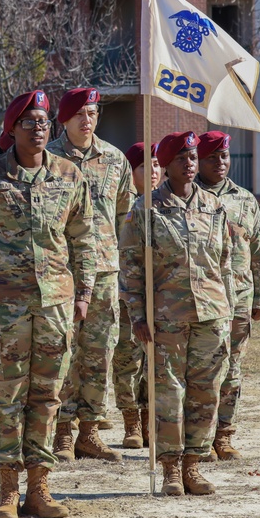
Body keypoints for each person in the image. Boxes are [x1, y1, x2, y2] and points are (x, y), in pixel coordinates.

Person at [0, 89, 95, 518]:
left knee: (47, 396)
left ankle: (39, 488)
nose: (39, 129)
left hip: (55, 303)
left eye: (43, 122)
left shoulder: (69, 175)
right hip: (3, 307)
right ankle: (6, 490)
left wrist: (85, 292)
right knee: (4, 396)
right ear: (12, 129)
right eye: (29, 122)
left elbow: (83, 239)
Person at [119, 131, 234, 496]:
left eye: (193, 158)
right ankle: (170, 466)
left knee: (206, 392)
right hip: (165, 317)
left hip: (211, 315)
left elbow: (225, 261)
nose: (190, 164)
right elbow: (131, 265)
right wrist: (138, 315)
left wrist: (228, 310)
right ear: (166, 165)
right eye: (181, 159)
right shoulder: (147, 208)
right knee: (168, 393)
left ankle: (193, 465)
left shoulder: (214, 206)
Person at [47, 87, 132, 463]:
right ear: (64, 119)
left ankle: (90, 431)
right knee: (64, 351)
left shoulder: (115, 159)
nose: (87, 120)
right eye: (80, 113)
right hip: (61, 271)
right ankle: (62, 431)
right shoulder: (46, 158)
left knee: (99, 352)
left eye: (93, 113)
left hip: (103, 271)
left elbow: (123, 215)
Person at [196, 131, 260, 460]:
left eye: (224, 157)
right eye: (212, 158)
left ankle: (223, 435)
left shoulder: (246, 199)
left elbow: (259, 251)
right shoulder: (188, 197)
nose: (220, 163)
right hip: (200, 299)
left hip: (239, 297)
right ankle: (198, 437)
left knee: (232, 369)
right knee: (200, 370)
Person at [112, 142, 161, 449]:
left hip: (163, 295)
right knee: (127, 360)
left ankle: (149, 422)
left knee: (155, 362)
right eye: (145, 166)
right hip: (128, 294)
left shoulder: (168, 201)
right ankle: (131, 421)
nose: (153, 171)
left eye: (157, 164)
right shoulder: (122, 204)